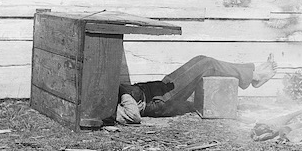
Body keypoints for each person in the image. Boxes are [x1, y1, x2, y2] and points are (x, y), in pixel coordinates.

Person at [113, 54, 278, 124]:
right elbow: (132, 115)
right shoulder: (106, 111)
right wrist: (125, 93)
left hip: (156, 89)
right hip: (159, 101)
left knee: (202, 59)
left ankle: (251, 73)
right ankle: (254, 76)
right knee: (207, 65)